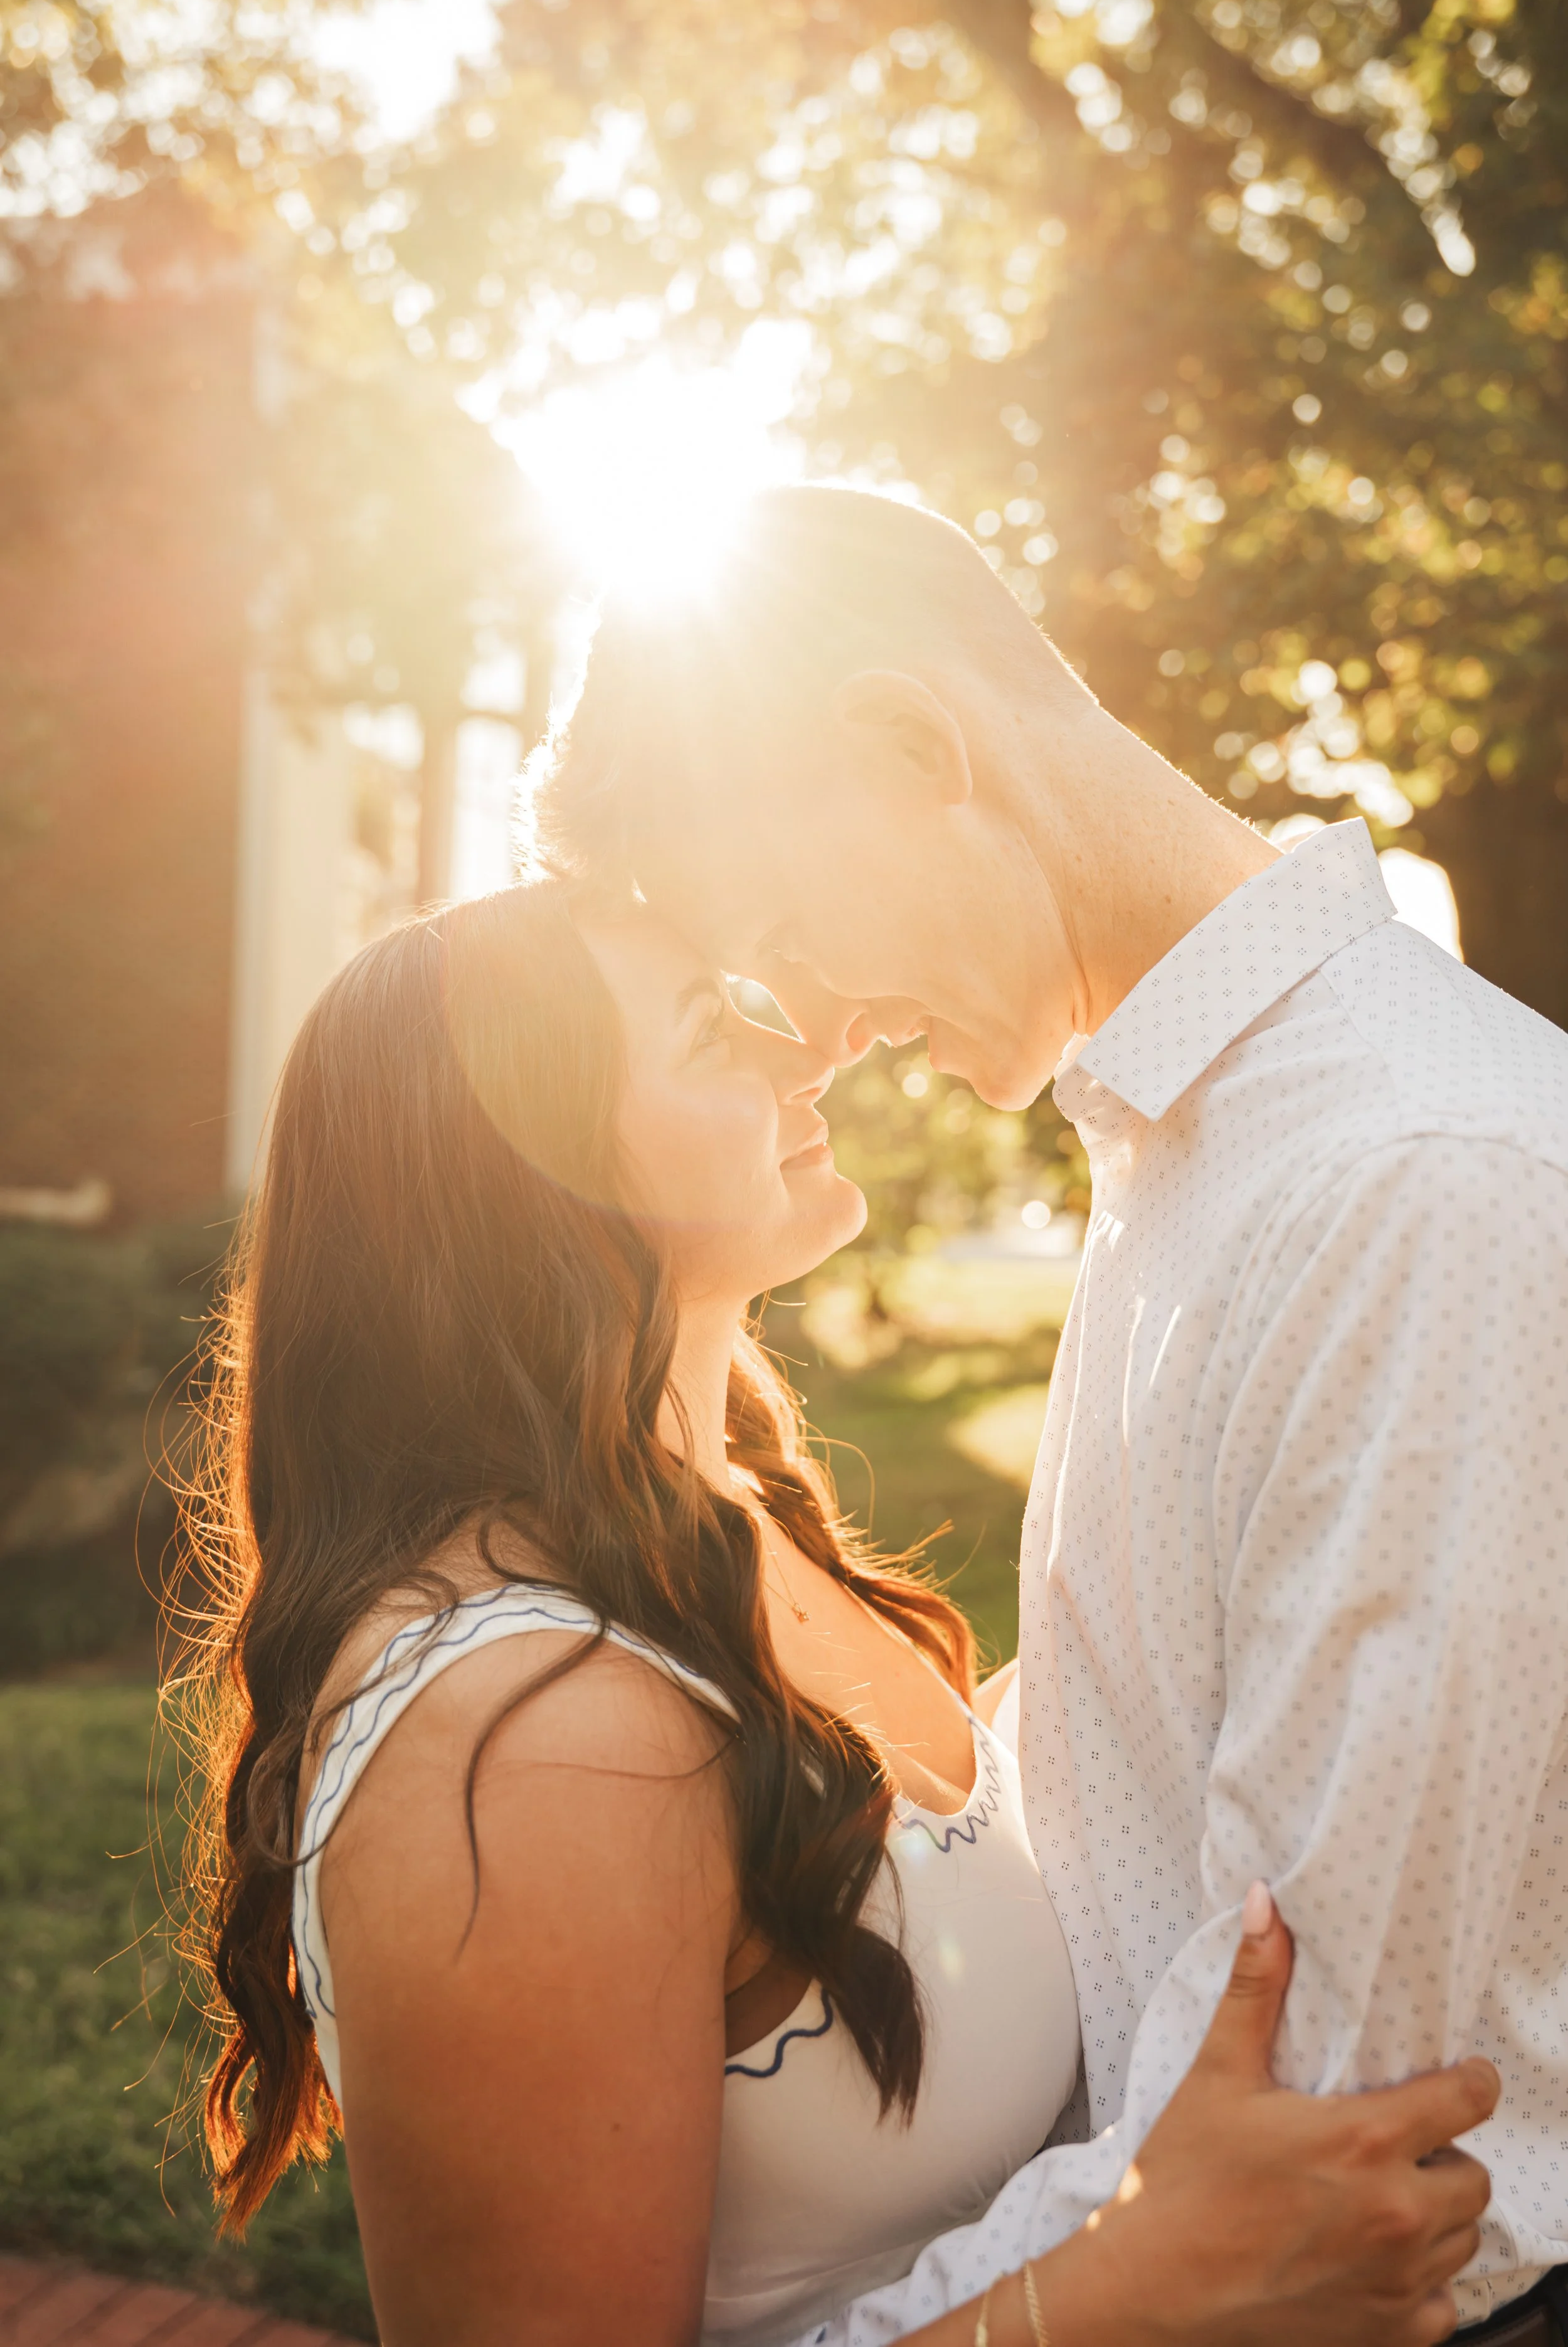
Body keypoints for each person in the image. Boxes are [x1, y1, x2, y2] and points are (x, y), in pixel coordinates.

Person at [182, 880, 1493, 2347]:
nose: (801, 1050)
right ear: (539, 1178)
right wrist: (1138, 2284)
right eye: (709, 1030)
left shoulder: (727, 1521)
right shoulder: (530, 1734)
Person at [536, 482, 1568, 2346]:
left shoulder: (1404, 1176)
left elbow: (1303, 2131)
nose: (822, 1032)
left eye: (786, 928)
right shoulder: (1192, 1137)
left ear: (914, 742)